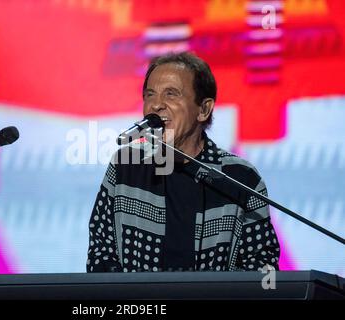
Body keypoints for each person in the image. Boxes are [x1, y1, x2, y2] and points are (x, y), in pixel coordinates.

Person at [87, 52, 280, 272]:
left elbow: (261, 264)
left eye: (171, 94)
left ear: (203, 109)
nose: (156, 105)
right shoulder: (126, 165)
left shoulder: (240, 177)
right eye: (150, 95)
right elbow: (100, 254)